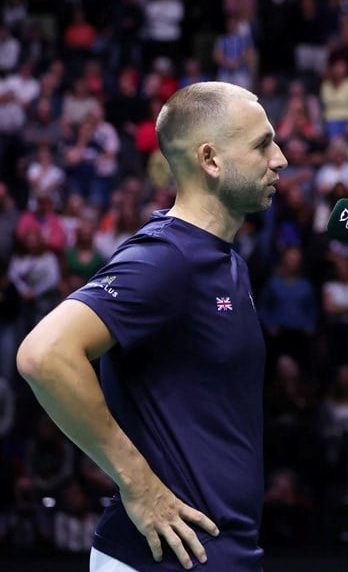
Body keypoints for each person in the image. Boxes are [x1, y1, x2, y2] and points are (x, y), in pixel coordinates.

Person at [16, 81, 288, 571]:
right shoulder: (167, 258)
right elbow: (44, 353)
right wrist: (138, 486)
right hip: (159, 558)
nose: (281, 158)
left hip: (214, 553)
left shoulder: (225, 260)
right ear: (210, 160)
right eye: (262, 144)